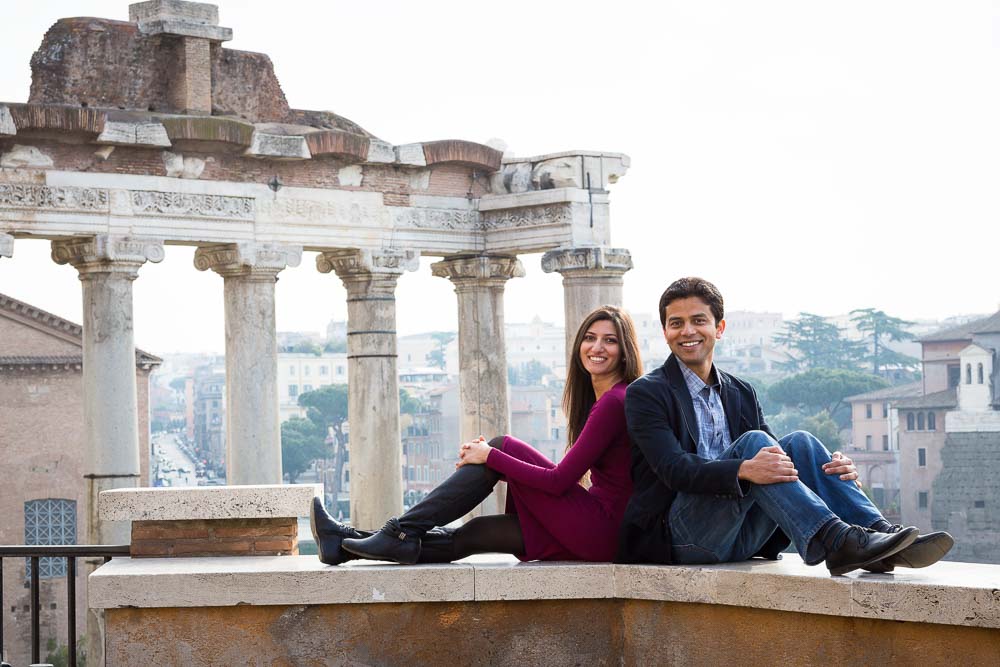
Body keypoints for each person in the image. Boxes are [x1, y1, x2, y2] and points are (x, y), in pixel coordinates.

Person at [617, 277, 954, 575]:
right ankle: (837, 541)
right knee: (755, 445)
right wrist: (743, 469)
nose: (687, 331)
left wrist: (834, 469)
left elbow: (782, 465)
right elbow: (672, 469)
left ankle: (879, 535)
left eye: (698, 320)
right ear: (665, 332)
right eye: (676, 323)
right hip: (682, 538)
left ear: (719, 328)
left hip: (741, 535)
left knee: (800, 444)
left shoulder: (741, 391)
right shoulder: (647, 393)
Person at [311, 305, 643, 565]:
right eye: (590, 337)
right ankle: (343, 544)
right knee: (470, 536)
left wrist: (491, 458)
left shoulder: (614, 402)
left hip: (602, 528)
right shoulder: (610, 399)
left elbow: (559, 481)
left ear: (625, 350)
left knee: (501, 446)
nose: (597, 347)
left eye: (610, 340)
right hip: (600, 530)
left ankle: (400, 530)